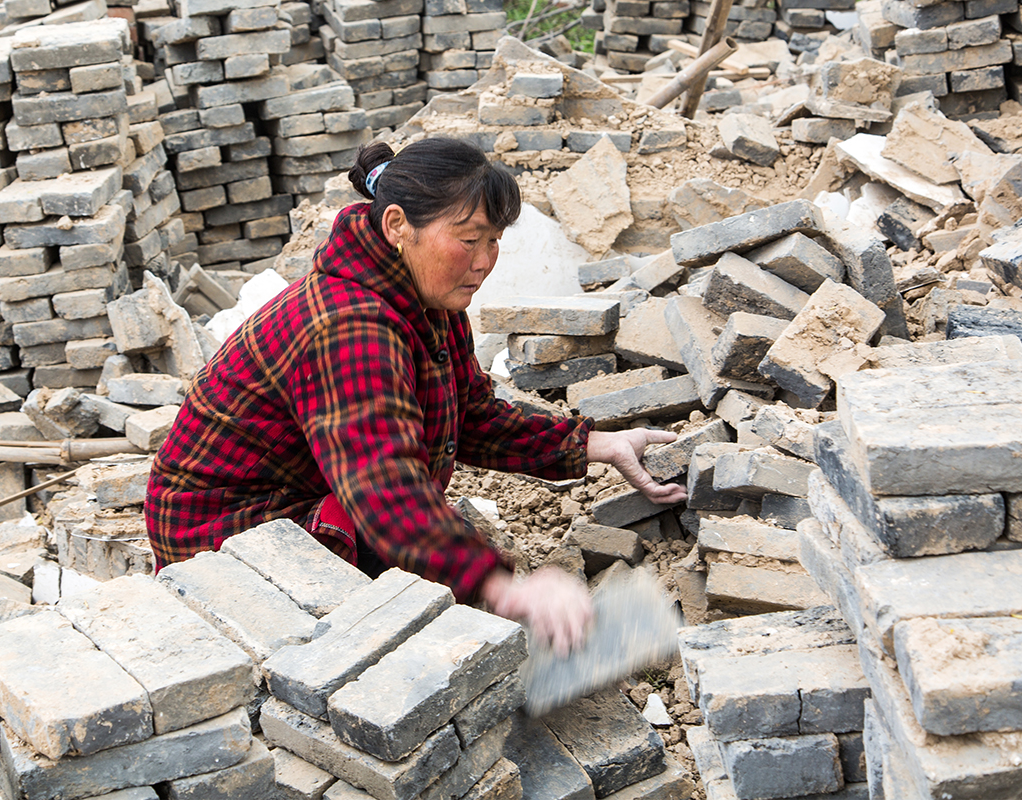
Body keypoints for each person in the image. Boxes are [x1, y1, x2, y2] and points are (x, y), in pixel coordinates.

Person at [145, 136, 686, 654]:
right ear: (397, 225)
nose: (484, 261)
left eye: (494, 240)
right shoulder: (349, 325)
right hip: (219, 538)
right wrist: (501, 587)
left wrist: (597, 444)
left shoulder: (426, 300)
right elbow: (383, 487)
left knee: (433, 555)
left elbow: (472, 416)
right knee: (410, 591)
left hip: (306, 492)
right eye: (469, 240)